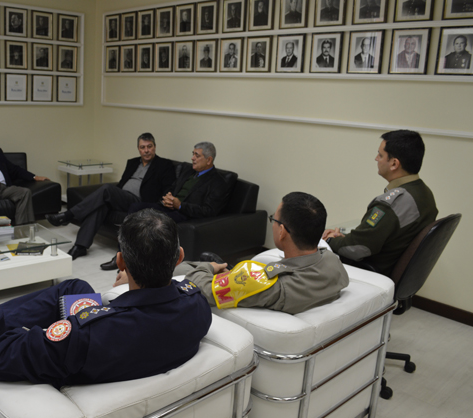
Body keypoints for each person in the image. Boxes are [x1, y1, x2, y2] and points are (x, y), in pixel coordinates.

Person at [0, 209, 212, 388]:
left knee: (14, 317)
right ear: (179, 257)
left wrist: (35, 331)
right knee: (74, 287)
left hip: (102, 343)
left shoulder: (80, 336)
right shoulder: (198, 306)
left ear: (120, 262)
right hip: (122, 335)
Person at [117, 193, 349, 315]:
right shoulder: (333, 263)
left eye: (273, 219)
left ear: (282, 231)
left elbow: (202, 287)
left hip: (217, 283)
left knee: (188, 267)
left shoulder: (264, 284)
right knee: (198, 262)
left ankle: (133, 274)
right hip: (252, 276)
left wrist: (208, 268)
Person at [46, 133, 176, 264]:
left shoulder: (164, 165)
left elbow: (168, 189)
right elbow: (122, 183)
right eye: (143, 147)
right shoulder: (132, 162)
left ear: (154, 147)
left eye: (149, 146)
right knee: (100, 205)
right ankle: (80, 246)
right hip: (123, 197)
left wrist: (165, 200)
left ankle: (68, 215)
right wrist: (115, 196)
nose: (146, 150)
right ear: (138, 149)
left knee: (107, 189)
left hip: (139, 202)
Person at [323, 130, 438, 276]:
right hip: (390, 267)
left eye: (380, 155)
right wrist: (344, 239)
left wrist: (329, 240)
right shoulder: (424, 192)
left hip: (371, 272)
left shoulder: (390, 205)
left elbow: (357, 249)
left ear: (394, 163)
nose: (376, 158)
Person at [128, 142, 234, 225]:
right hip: (168, 208)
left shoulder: (218, 182)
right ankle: (125, 245)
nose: (192, 158)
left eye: (197, 155)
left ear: (209, 160)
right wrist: (166, 198)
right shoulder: (188, 171)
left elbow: (208, 211)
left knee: (154, 221)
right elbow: (172, 187)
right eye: (193, 154)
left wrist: (180, 206)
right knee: (135, 207)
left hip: (185, 214)